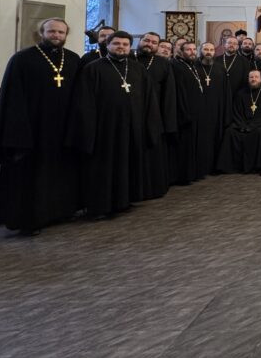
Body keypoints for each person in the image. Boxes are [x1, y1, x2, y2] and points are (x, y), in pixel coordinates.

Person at [0, 18, 82, 234]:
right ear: (42, 33)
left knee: (62, 170)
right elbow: (13, 97)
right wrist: (19, 130)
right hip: (34, 128)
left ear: (66, 35)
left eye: (60, 32)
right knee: (31, 174)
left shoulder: (73, 59)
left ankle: (60, 211)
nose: (56, 35)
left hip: (63, 127)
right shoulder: (22, 59)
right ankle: (29, 220)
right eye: (51, 31)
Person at [71, 31, 160, 219]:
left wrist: (148, 125)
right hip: (105, 129)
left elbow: (149, 99)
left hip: (132, 127)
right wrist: (89, 131)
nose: (121, 47)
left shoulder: (137, 69)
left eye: (125, 44)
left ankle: (123, 201)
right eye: (117, 44)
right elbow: (85, 103)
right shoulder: (93, 69)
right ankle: (100, 206)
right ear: (108, 45)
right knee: (104, 167)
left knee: (127, 164)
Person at [133, 31, 176, 200]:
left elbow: (169, 94)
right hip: (132, 114)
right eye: (146, 40)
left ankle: (153, 188)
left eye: (153, 42)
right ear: (140, 41)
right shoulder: (129, 60)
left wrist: (168, 121)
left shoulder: (163, 64)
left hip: (155, 115)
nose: (149, 44)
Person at [216, 69, 261, 174]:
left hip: (260, 124)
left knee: (259, 132)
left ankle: (255, 166)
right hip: (242, 124)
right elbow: (236, 112)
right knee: (230, 132)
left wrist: (253, 125)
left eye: (256, 77)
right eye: (251, 77)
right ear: (248, 79)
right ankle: (229, 166)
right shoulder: (241, 93)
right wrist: (243, 125)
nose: (253, 79)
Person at [170, 41, 204, 184]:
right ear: (181, 51)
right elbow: (180, 93)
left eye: (194, 49)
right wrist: (185, 112)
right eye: (188, 50)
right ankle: (184, 176)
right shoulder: (177, 66)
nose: (192, 52)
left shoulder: (193, 65)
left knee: (193, 145)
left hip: (196, 111)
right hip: (185, 113)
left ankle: (193, 173)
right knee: (184, 146)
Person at [196, 42, 227, 176]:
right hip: (199, 111)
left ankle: (213, 167)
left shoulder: (220, 69)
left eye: (211, 50)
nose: (208, 52)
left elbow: (226, 92)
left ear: (215, 52)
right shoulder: (194, 67)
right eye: (206, 49)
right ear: (201, 51)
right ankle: (199, 168)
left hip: (216, 110)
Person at [220, 36, 249, 118]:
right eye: (229, 43)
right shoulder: (216, 60)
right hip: (220, 95)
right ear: (224, 45)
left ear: (238, 47)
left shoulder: (244, 61)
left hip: (237, 95)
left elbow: (246, 80)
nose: (231, 45)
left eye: (234, 43)